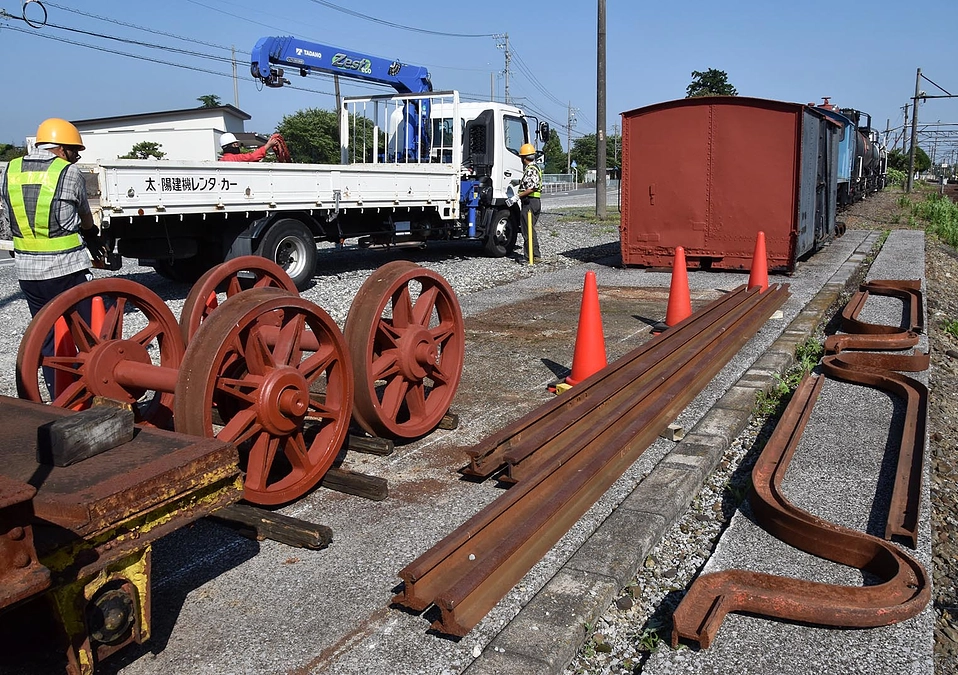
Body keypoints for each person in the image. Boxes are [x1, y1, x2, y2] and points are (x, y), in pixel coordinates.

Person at [0, 117, 106, 392]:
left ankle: (58, 392)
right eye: (74, 150)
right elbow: (83, 213)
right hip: (66, 268)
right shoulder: (67, 173)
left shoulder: (10, 169)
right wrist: (93, 236)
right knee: (88, 332)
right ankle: (90, 389)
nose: (76, 156)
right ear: (60, 148)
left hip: (27, 272)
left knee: (47, 335)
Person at [510, 143, 542, 263]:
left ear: (524, 158)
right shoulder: (536, 168)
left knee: (527, 230)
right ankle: (535, 255)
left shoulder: (530, 170)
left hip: (529, 203)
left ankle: (529, 257)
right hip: (535, 202)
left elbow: (532, 188)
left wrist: (517, 196)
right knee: (530, 229)